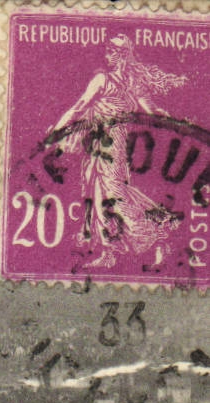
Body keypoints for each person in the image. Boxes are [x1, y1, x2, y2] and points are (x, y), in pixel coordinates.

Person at [45, 35, 188, 268]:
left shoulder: (119, 81)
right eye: (107, 50)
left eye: (111, 51)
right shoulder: (105, 79)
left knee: (113, 195)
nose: (107, 55)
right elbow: (80, 107)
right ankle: (110, 252)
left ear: (121, 55)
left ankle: (159, 236)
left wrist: (177, 124)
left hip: (114, 143)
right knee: (97, 192)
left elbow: (151, 111)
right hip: (97, 143)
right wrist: (59, 129)